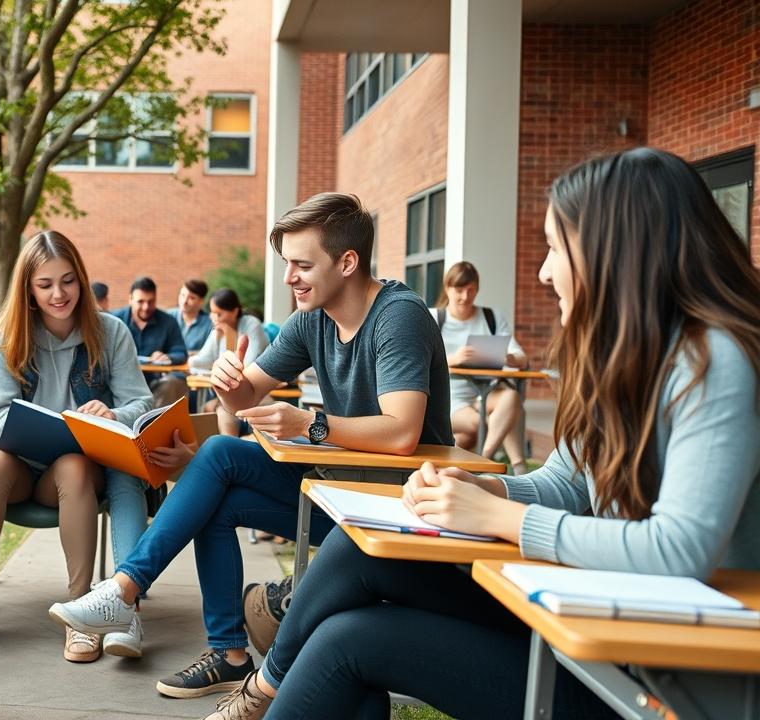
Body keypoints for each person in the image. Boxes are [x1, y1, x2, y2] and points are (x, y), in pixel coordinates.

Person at [209, 147, 760, 720]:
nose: (545, 271)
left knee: (352, 640)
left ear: (618, 251)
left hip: (657, 676)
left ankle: (262, 692)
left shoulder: (714, 360)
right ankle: (267, 691)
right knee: (350, 599)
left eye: (554, 248)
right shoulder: (624, 361)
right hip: (588, 621)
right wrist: (481, 492)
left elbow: (680, 550)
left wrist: (502, 518)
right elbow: (565, 486)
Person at [50, 192, 453, 695]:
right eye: (287, 263)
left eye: (302, 264)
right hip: (337, 492)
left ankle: (123, 591)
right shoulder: (311, 320)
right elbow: (244, 398)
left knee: (219, 467)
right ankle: (226, 651)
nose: (288, 278)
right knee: (217, 478)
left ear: (348, 262)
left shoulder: (399, 316)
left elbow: (401, 431)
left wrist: (311, 423)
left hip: (401, 504)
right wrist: (228, 381)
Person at [0, 231, 154, 663]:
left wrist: (113, 415)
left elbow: (141, 401)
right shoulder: (5, 340)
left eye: (68, 281)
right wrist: (32, 428)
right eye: (45, 284)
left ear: (81, 280)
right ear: (28, 290)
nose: (59, 294)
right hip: (16, 466)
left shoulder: (110, 332)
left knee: (74, 463)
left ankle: (82, 609)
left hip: (71, 472)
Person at [431, 261, 530, 467]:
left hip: (483, 394)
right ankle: (515, 466)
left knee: (511, 398)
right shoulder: (434, 318)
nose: (466, 297)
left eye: (471, 290)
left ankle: (482, 459)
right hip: (448, 400)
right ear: (447, 288)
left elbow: (523, 359)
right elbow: (415, 361)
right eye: (459, 290)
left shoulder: (491, 317)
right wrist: (452, 360)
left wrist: (508, 358)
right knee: (486, 424)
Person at [189, 288, 271, 437]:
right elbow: (201, 361)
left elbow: (247, 363)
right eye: (212, 313)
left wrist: (230, 337)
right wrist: (190, 358)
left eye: (219, 313)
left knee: (221, 410)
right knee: (207, 407)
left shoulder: (251, 324)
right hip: (229, 391)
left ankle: (230, 445)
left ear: (234, 311)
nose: (214, 318)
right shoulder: (218, 330)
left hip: (259, 390)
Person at [112, 276, 188, 406]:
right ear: (130, 299)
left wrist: (167, 357)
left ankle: (154, 423)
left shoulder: (168, 321)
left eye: (151, 301)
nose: (146, 307)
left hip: (155, 383)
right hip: (121, 383)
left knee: (175, 383)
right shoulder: (114, 321)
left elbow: (180, 351)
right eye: (140, 301)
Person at [169, 278, 213, 353]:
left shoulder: (209, 324)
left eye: (191, 298)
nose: (184, 301)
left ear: (201, 301)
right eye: (182, 295)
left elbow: (209, 353)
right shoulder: (169, 316)